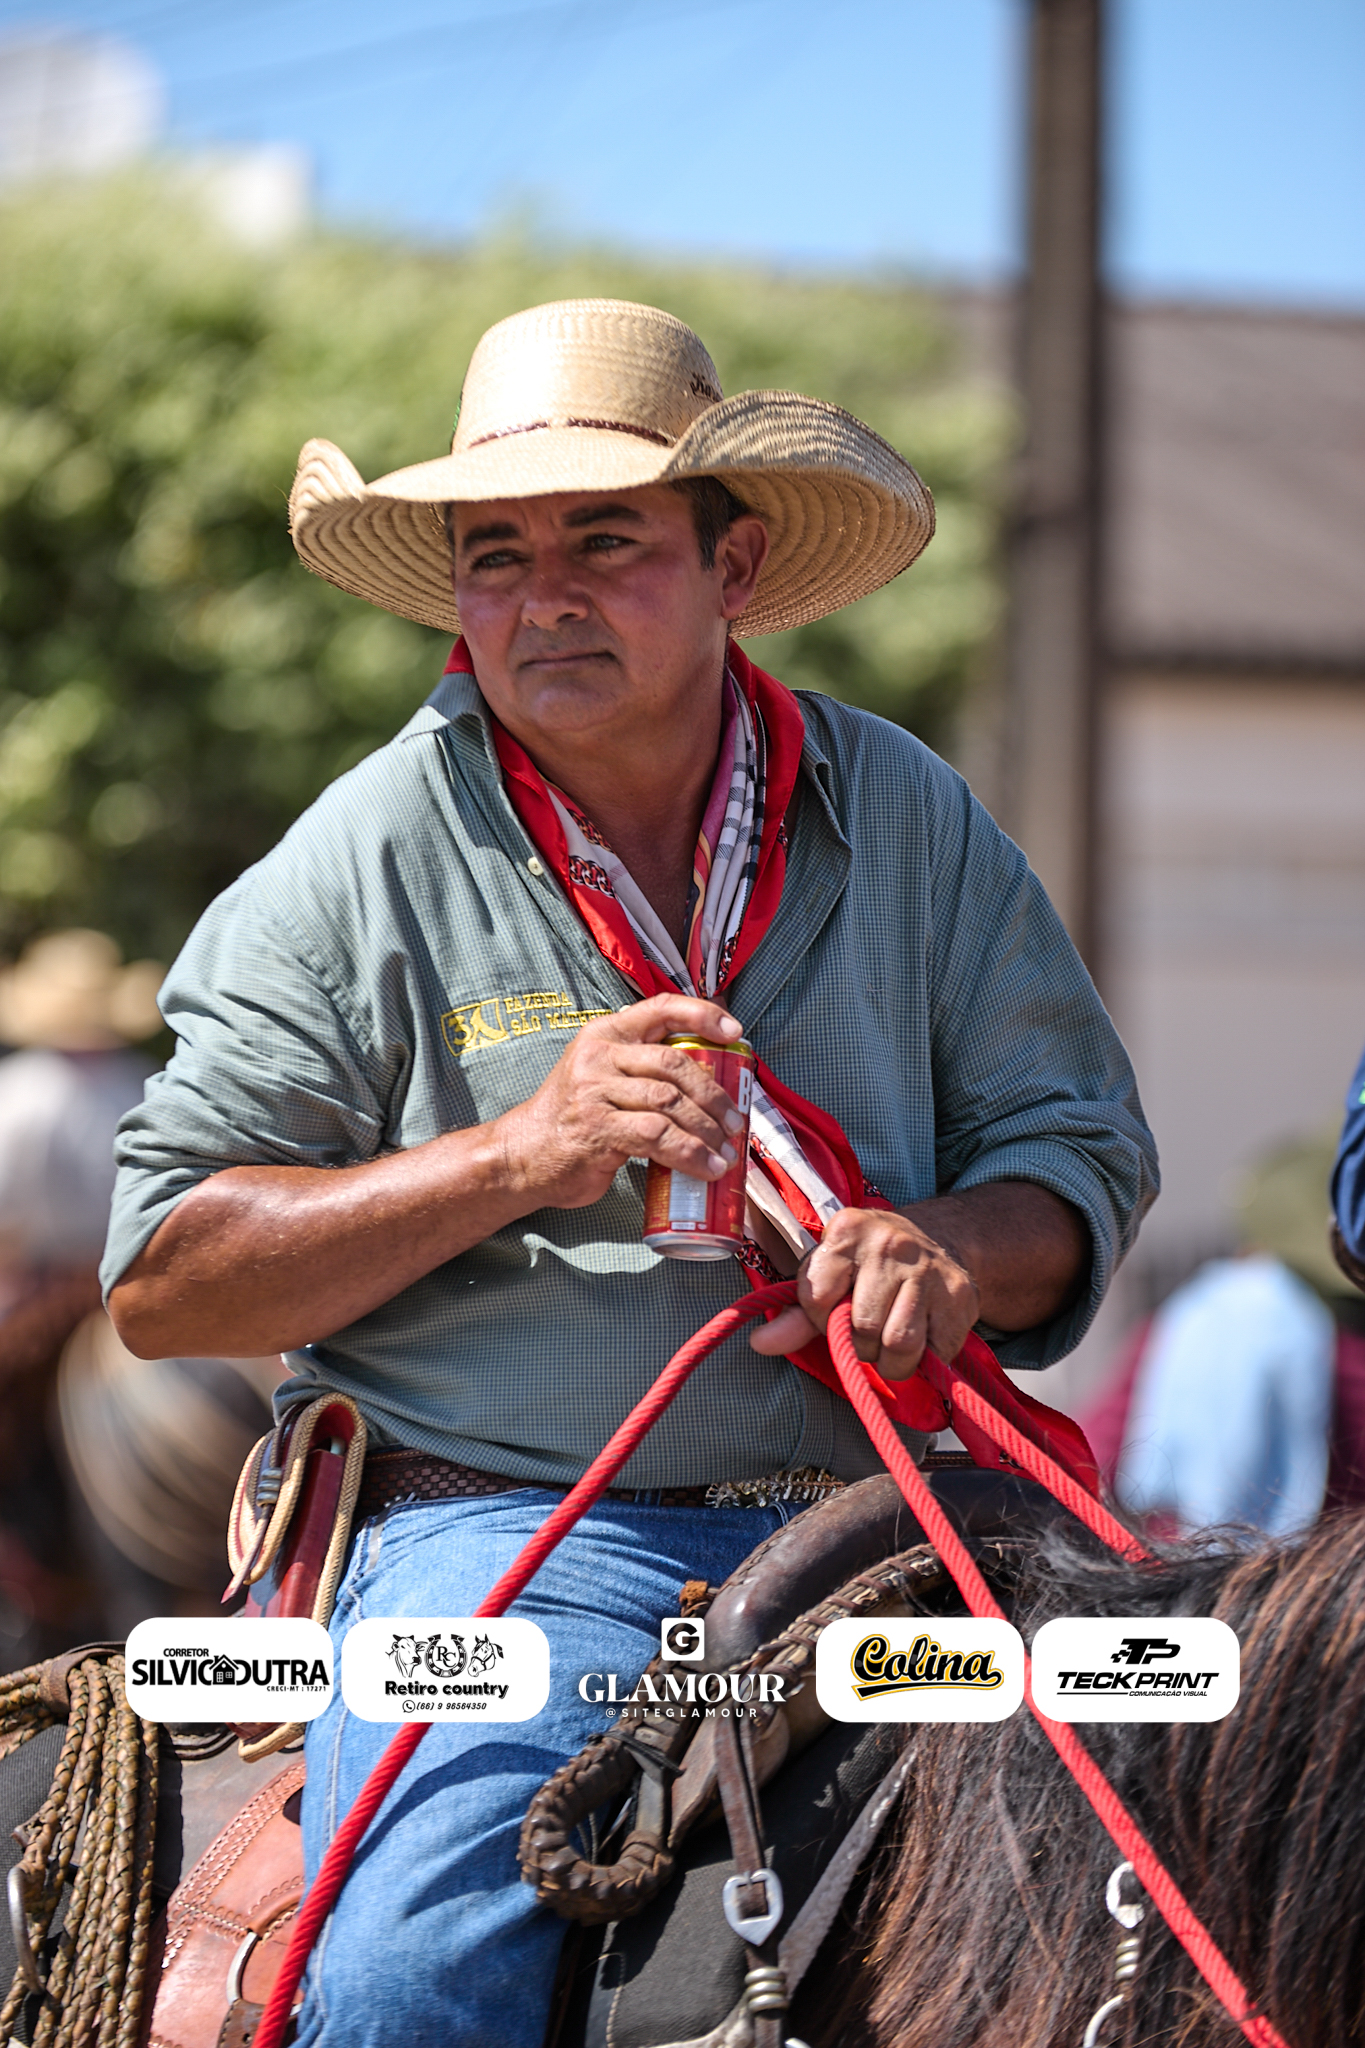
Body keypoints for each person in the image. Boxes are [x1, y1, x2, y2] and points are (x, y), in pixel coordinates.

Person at [101, 299, 1158, 2047]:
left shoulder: (904, 812)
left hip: (893, 1526)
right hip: (509, 1544)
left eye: (606, 541)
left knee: (1196, 1838)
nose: (547, 598)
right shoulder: (363, 854)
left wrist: (953, 1250)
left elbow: (1077, 1151)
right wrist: (521, 1153)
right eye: (496, 557)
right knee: (409, 1978)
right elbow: (165, 1278)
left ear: (733, 565)